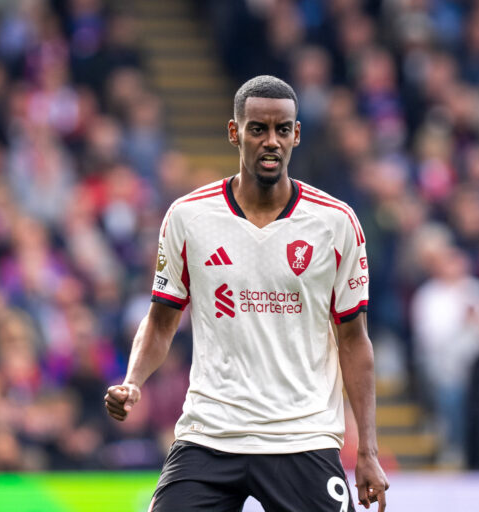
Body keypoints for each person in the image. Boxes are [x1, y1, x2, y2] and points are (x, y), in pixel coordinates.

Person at [105, 75, 389, 511]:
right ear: (235, 132)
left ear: (296, 134)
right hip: (211, 432)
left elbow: (354, 340)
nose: (270, 141)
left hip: (301, 435)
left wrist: (367, 450)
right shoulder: (188, 217)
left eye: (281, 129)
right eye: (258, 129)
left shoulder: (336, 223)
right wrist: (132, 381)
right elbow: (161, 321)